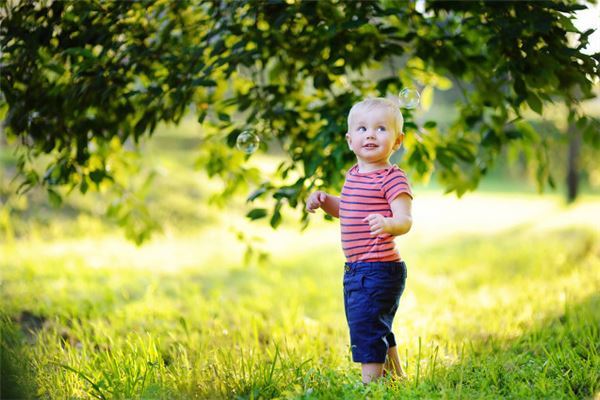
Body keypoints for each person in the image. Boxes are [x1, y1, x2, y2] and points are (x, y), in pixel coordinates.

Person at [306, 97, 413, 384]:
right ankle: (396, 377)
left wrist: (389, 223)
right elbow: (346, 210)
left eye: (381, 129)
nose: (370, 134)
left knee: (366, 327)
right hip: (358, 269)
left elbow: (406, 219)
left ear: (397, 140)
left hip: (378, 269)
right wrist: (325, 200)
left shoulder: (392, 178)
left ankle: (370, 386)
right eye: (362, 129)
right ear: (350, 140)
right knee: (375, 324)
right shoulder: (353, 175)